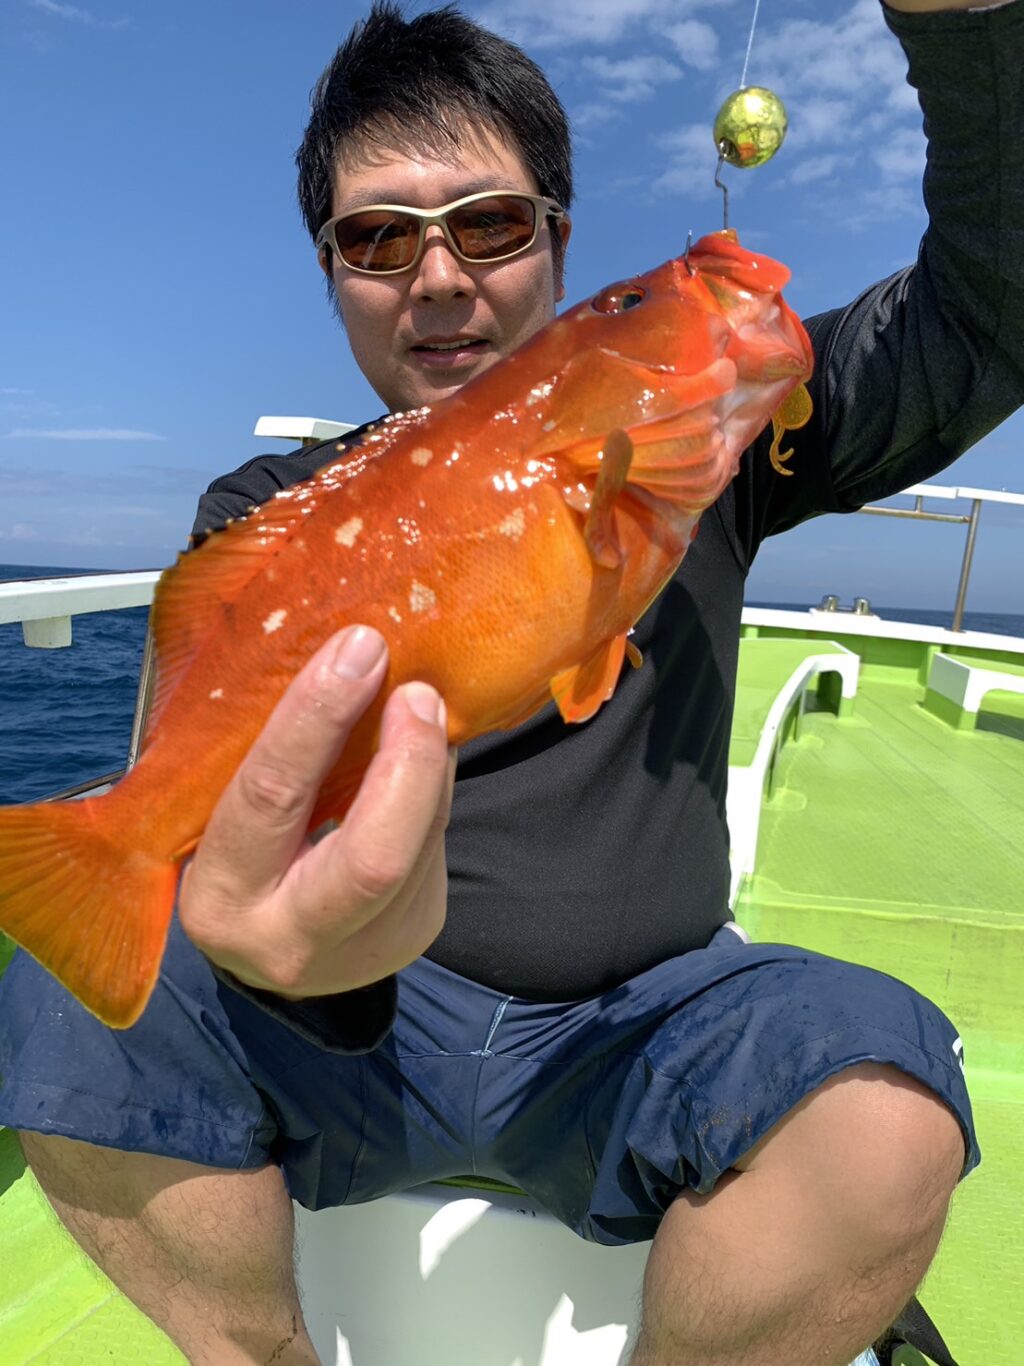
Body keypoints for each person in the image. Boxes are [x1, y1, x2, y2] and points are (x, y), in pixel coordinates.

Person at [1, 0, 1021, 1362]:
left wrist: (972, 29)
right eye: (379, 238)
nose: (437, 276)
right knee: (62, 997)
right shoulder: (267, 516)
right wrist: (311, 968)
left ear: (557, 238)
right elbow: (231, 852)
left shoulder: (716, 447)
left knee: (890, 1104)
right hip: (359, 1045)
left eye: (488, 224)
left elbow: (991, 304)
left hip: (644, 1027)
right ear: (331, 270)